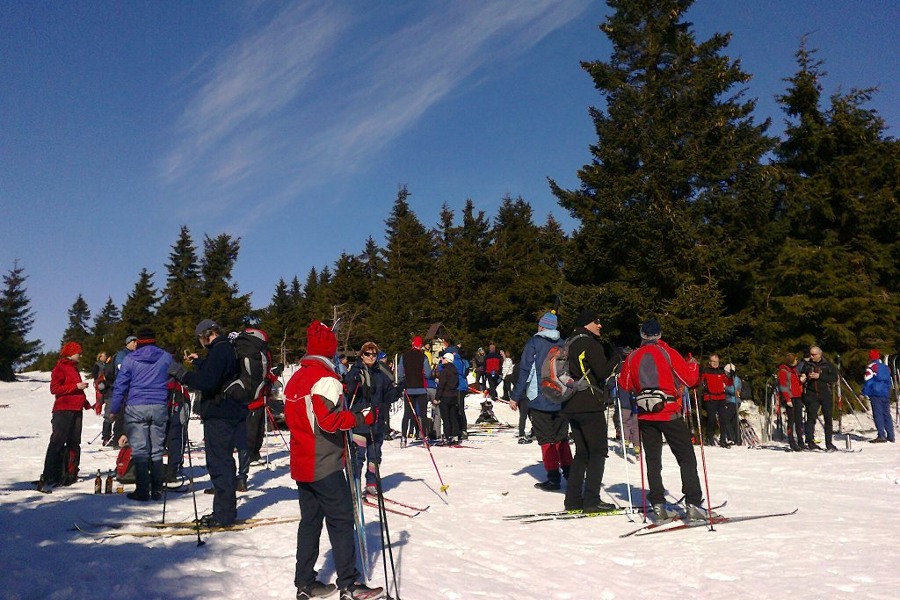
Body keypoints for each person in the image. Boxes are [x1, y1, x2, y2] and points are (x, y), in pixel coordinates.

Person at [284, 321, 381, 600]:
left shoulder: (297, 378)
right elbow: (327, 421)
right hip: (323, 462)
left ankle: (305, 582)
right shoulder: (325, 379)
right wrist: (359, 419)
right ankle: (349, 584)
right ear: (330, 351)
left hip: (303, 462)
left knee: (310, 522)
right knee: (340, 521)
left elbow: (293, 419)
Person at [618, 319, 712, 522]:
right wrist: (694, 366)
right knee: (686, 457)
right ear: (659, 335)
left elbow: (624, 384)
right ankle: (694, 505)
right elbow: (690, 380)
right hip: (668, 412)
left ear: (642, 335)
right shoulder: (668, 352)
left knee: (653, 460)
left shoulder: (633, 356)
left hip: (645, 414)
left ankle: (658, 505)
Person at [168, 319, 242, 526]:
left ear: (207, 334)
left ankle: (224, 515)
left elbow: (207, 382)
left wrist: (182, 374)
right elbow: (216, 373)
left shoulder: (220, 350)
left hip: (220, 413)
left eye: (200, 338)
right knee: (222, 461)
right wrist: (198, 362)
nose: (201, 342)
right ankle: (223, 511)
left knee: (220, 463)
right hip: (225, 411)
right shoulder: (225, 348)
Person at [108, 327, 174, 501]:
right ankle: (157, 489)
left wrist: (114, 409)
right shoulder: (166, 357)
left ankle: (143, 490)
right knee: (157, 450)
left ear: (138, 341)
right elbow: (174, 376)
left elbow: (120, 385)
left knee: (140, 450)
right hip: (159, 404)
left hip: (136, 406)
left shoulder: (130, 359)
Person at [510, 311, 573, 491]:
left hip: (539, 398)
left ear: (542, 326)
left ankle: (553, 478)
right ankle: (571, 473)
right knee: (562, 438)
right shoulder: (563, 343)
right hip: (561, 397)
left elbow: (525, 370)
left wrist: (515, 396)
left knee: (546, 440)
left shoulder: (535, 342)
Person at [561, 310, 616, 513]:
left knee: (582, 452)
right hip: (589, 404)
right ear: (587, 323)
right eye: (597, 322)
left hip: (569, 403)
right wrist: (615, 358)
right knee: (598, 451)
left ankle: (573, 500)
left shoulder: (568, 342)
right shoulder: (589, 343)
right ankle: (592, 500)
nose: (600, 326)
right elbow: (602, 372)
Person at [344, 341, 397, 495]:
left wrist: (398, 390)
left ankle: (371, 483)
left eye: (374, 354)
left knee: (374, 456)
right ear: (362, 355)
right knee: (358, 457)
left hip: (377, 421)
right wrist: (355, 382)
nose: (371, 357)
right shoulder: (356, 371)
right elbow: (348, 389)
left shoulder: (381, 373)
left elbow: (387, 396)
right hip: (360, 421)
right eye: (368, 354)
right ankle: (355, 484)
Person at [38, 342, 92, 492]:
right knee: (57, 442)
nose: (80, 355)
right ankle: (50, 475)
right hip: (63, 410)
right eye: (78, 352)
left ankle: (70, 472)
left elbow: (77, 391)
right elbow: (55, 389)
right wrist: (76, 386)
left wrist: (86, 404)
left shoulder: (74, 368)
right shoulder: (60, 368)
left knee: (75, 443)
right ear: (70, 353)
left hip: (76, 410)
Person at [800, 345, 838, 451]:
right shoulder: (807, 365)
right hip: (812, 394)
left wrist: (819, 376)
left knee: (828, 419)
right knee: (811, 418)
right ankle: (810, 442)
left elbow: (834, 378)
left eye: (813, 354)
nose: (811, 356)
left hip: (826, 394)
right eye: (810, 354)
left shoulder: (828, 365)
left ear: (819, 354)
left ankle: (829, 443)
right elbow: (802, 374)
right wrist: (803, 377)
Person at [104, 335, 138, 447]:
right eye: (133, 342)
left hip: (131, 388)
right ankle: (117, 438)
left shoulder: (134, 354)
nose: (136, 344)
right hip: (123, 387)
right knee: (121, 413)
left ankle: (126, 437)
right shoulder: (122, 354)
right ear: (128, 343)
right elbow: (122, 369)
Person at [397, 335, 432, 441]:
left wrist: (403, 381)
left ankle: (403, 437)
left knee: (407, 414)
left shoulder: (404, 356)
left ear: (412, 344)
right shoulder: (423, 357)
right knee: (423, 414)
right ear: (420, 345)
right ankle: (424, 436)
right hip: (421, 388)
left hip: (409, 388)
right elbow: (428, 374)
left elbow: (400, 373)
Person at [862, 349, 895, 443]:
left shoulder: (871, 367)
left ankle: (881, 435)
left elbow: (868, 381)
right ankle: (891, 435)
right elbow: (889, 380)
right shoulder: (885, 367)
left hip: (876, 393)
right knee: (887, 414)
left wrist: (863, 392)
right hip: (885, 393)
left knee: (878, 414)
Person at [700, 354, 732, 447]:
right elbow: (699, 381)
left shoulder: (721, 372)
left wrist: (731, 376)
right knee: (711, 419)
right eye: (713, 361)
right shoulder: (706, 371)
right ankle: (709, 438)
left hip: (721, 398)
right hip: (710, 398)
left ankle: (723, 440)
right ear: (709, 362)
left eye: (716, 361)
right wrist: (699, 373)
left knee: (723, 419)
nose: (715, 363)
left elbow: (728, 383)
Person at [777, 354, 805, 451]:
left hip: (797, 396)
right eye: (795, 360)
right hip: (790, 398)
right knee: (791, 420)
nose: (797, 362)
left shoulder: (794, 370)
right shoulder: (783, 371)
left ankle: (801, 441)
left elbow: (795, 383)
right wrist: (787, 399)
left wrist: (801, 380)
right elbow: (783, 386)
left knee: (799, 421)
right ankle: (792, 442)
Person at [434, 352, 461, 444]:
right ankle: (455, 436)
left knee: (445, 418)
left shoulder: (444, 371)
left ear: (448, 359)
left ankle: (446, 436)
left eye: (443, 358)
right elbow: (456, 383)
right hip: (453, 395)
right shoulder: (455, 370)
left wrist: (437, 397)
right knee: (453, 416)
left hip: (445, 396)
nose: (442, 359)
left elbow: (441, 385)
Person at [722, 363, 742, 446]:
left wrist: (725, 387)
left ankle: (732, 438)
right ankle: (737, 440)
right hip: (730, 401)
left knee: (726, 419)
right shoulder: (731, 379)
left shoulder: (736, 379)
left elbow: (734, 390)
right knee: (734, 421)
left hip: (734, 402)